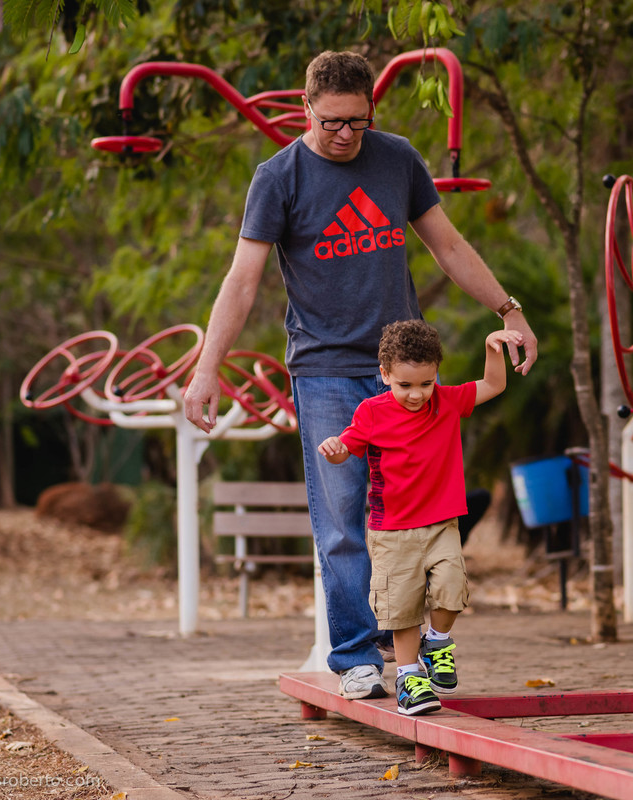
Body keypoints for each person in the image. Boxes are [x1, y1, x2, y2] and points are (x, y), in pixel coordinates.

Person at [182, 51, 537, 701]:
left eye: (359, 123)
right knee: (342, 516)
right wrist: (208, 368)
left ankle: (410, 639)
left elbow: (448, 244)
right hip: (325, 371)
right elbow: (242, 280)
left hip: (403, 368)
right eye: (333, 123)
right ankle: (354, 654)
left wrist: (509, 311)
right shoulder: (278, 177)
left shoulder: (396, 158)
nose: (346, 136)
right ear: (307, 110)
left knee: (418, 509)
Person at [318, 319, 519, 715]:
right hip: (392, 530)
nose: (416, 394)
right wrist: (334, 448)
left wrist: (492, 347)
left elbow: (493, 385)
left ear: (435, 376)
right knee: (403, 607)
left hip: (442, 522)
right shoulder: (372, 412)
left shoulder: (446, 401)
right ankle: (410, 677)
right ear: (385, 374)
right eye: (405, 385)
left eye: (425, 384)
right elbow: (348, 449)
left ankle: (438, 642)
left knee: (451, 588)